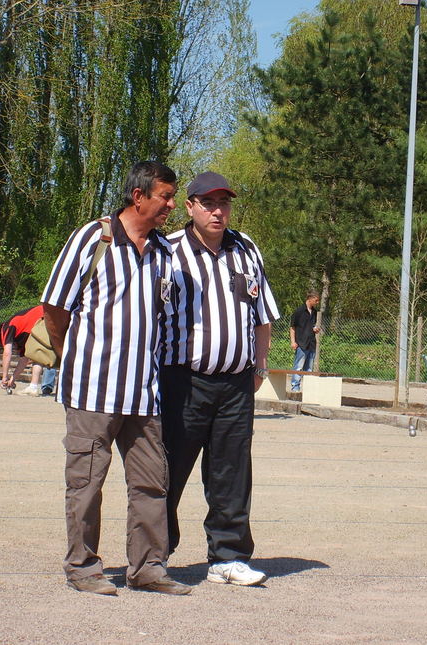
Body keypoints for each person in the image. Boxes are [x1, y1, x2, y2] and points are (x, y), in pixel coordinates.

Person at [42, 161, 189, 596]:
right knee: (86, 483)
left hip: (145, 395)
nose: (171, 204)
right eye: (165, 196)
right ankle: (83, 567)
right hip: (93, 390)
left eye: (172, 196)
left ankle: (148, 568)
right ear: (138, 196)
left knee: (151, 483)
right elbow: (55, 305)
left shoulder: (165, 252)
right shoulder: (96, 237)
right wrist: (72, 356)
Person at [159, 171, 280, 587]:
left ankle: (228, 556)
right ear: (189, 206)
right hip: (182, 382)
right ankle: (156, 554)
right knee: (167, 472)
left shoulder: (246, 249)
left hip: (235, 385)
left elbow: (262, 315)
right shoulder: (167, 250)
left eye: (224, 203)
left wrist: (259, 366)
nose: (217, 211)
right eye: (208, 203)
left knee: (232, 473)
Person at [0, 305, 46, 396]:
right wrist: (12, 379)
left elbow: (7, 353)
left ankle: (33, 387)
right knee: (37, 355)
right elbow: (24, 360)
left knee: (38, 355)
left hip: (45, 314)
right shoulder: (22, 336)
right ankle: (33, 387)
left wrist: (4, 377)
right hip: (47, 318)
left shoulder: (6, 327)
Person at [289, 290, 320, 392]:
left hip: (311, 344)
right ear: (310, 299)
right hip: (301, 344)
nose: (317, 302)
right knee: (298, 367)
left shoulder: (314, 312)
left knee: (309, 369)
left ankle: (308, 390)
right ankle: (295, 387)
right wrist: (293, 342)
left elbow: (312, 325)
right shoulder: (299, 311)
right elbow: (292, 327)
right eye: (316, 300)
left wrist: (315, 328)